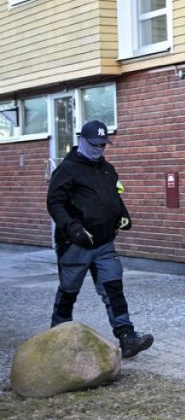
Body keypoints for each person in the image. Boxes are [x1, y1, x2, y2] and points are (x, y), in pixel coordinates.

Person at [46, 120, 154, 358]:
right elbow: (54, 203)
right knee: (69, 290)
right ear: (82, 141)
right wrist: (72, 228)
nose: (100, 149)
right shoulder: (67, 169)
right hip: (75, 244)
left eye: (103, 144)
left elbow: (116, 194)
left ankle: (127, 337)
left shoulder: (108, 169)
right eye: (95, 144)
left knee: (113, 288)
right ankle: (55, 339)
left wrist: (123, 214)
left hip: (104, 243)